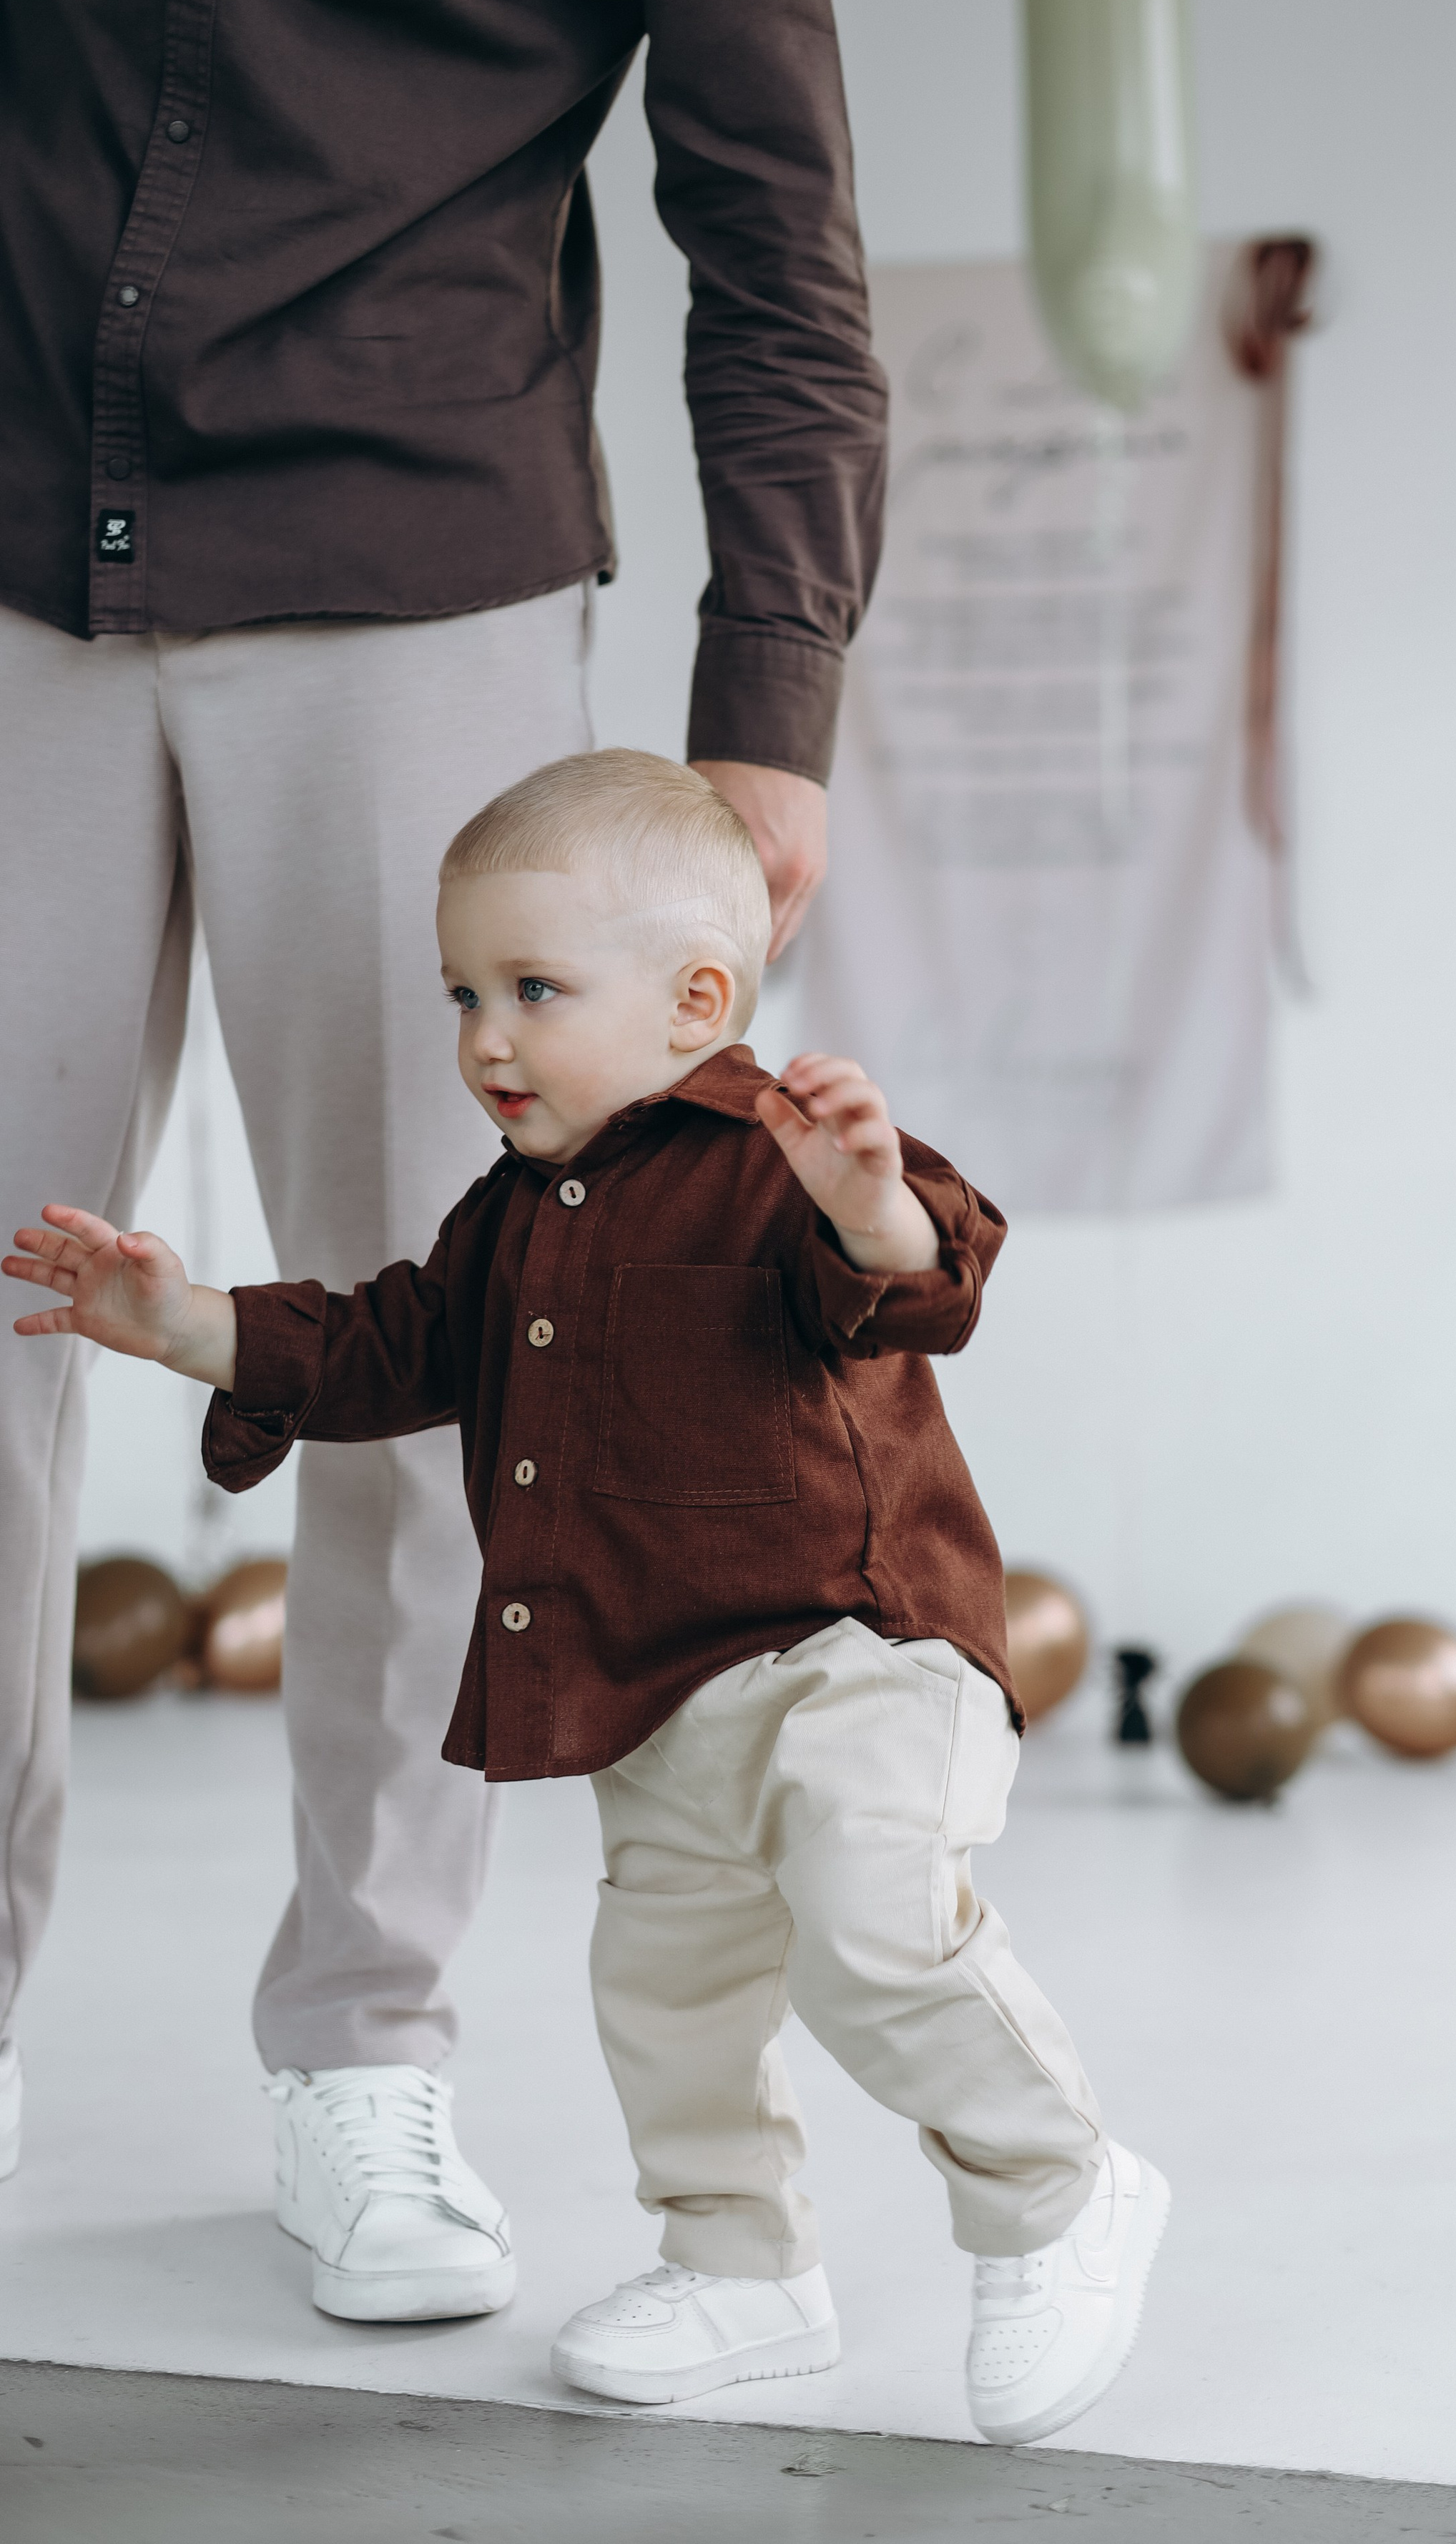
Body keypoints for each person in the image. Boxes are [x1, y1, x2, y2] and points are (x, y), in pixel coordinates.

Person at [0, 0, 887, 2298]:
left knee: (454, 1342)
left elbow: (775, 209)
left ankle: (364, 2048)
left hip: (413, 581)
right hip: (10, 550)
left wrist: (771, 698)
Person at [5, 751, 1170, 2444]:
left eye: (532, 991)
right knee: (667, 1990)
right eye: (462, 993)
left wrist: (872, 1212)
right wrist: (186, 1326)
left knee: (872, 1915)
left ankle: (1057, 2191)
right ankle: (741, 2266)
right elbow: (386, 1344)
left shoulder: (777, 1160)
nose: (484, 1037)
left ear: (697, 998)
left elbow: (920, 1279)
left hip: (853, 1652)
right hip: (654, 1687)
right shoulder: (507, 1220)